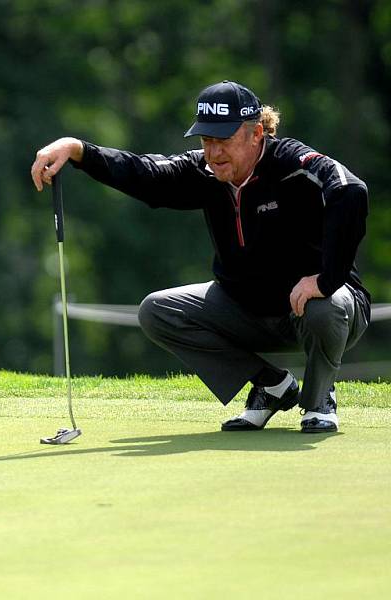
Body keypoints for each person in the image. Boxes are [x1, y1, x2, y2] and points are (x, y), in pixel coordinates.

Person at [30, 80, 370, 433]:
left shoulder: (292, 163)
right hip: (247, 311)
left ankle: (319, 401)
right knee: (157, 312)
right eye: (207, 141)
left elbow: (350, 190)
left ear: (255, 134)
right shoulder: (205, 174)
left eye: (223, 140)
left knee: (324, 306)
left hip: (317, 308)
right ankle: (271, 386)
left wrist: (326, 278)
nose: (214, 152)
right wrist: (78, 150)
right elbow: (145, 173)